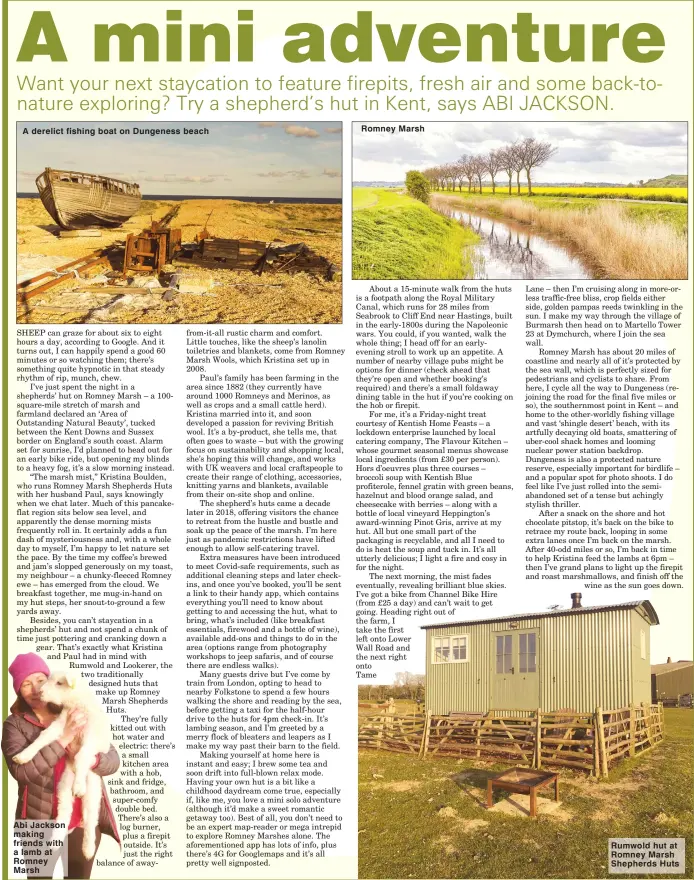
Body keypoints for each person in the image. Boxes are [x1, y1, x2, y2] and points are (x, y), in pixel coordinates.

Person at [2, 653, 120, 879]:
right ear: (18, 690)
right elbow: (22, 772)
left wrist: (92, 759)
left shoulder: (75, 709)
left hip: (82, 813)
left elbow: (112, 760)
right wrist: (64, 738)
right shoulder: (14, 725)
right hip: (38, 819)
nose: (35, 689)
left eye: (39, 680)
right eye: (26, 684)